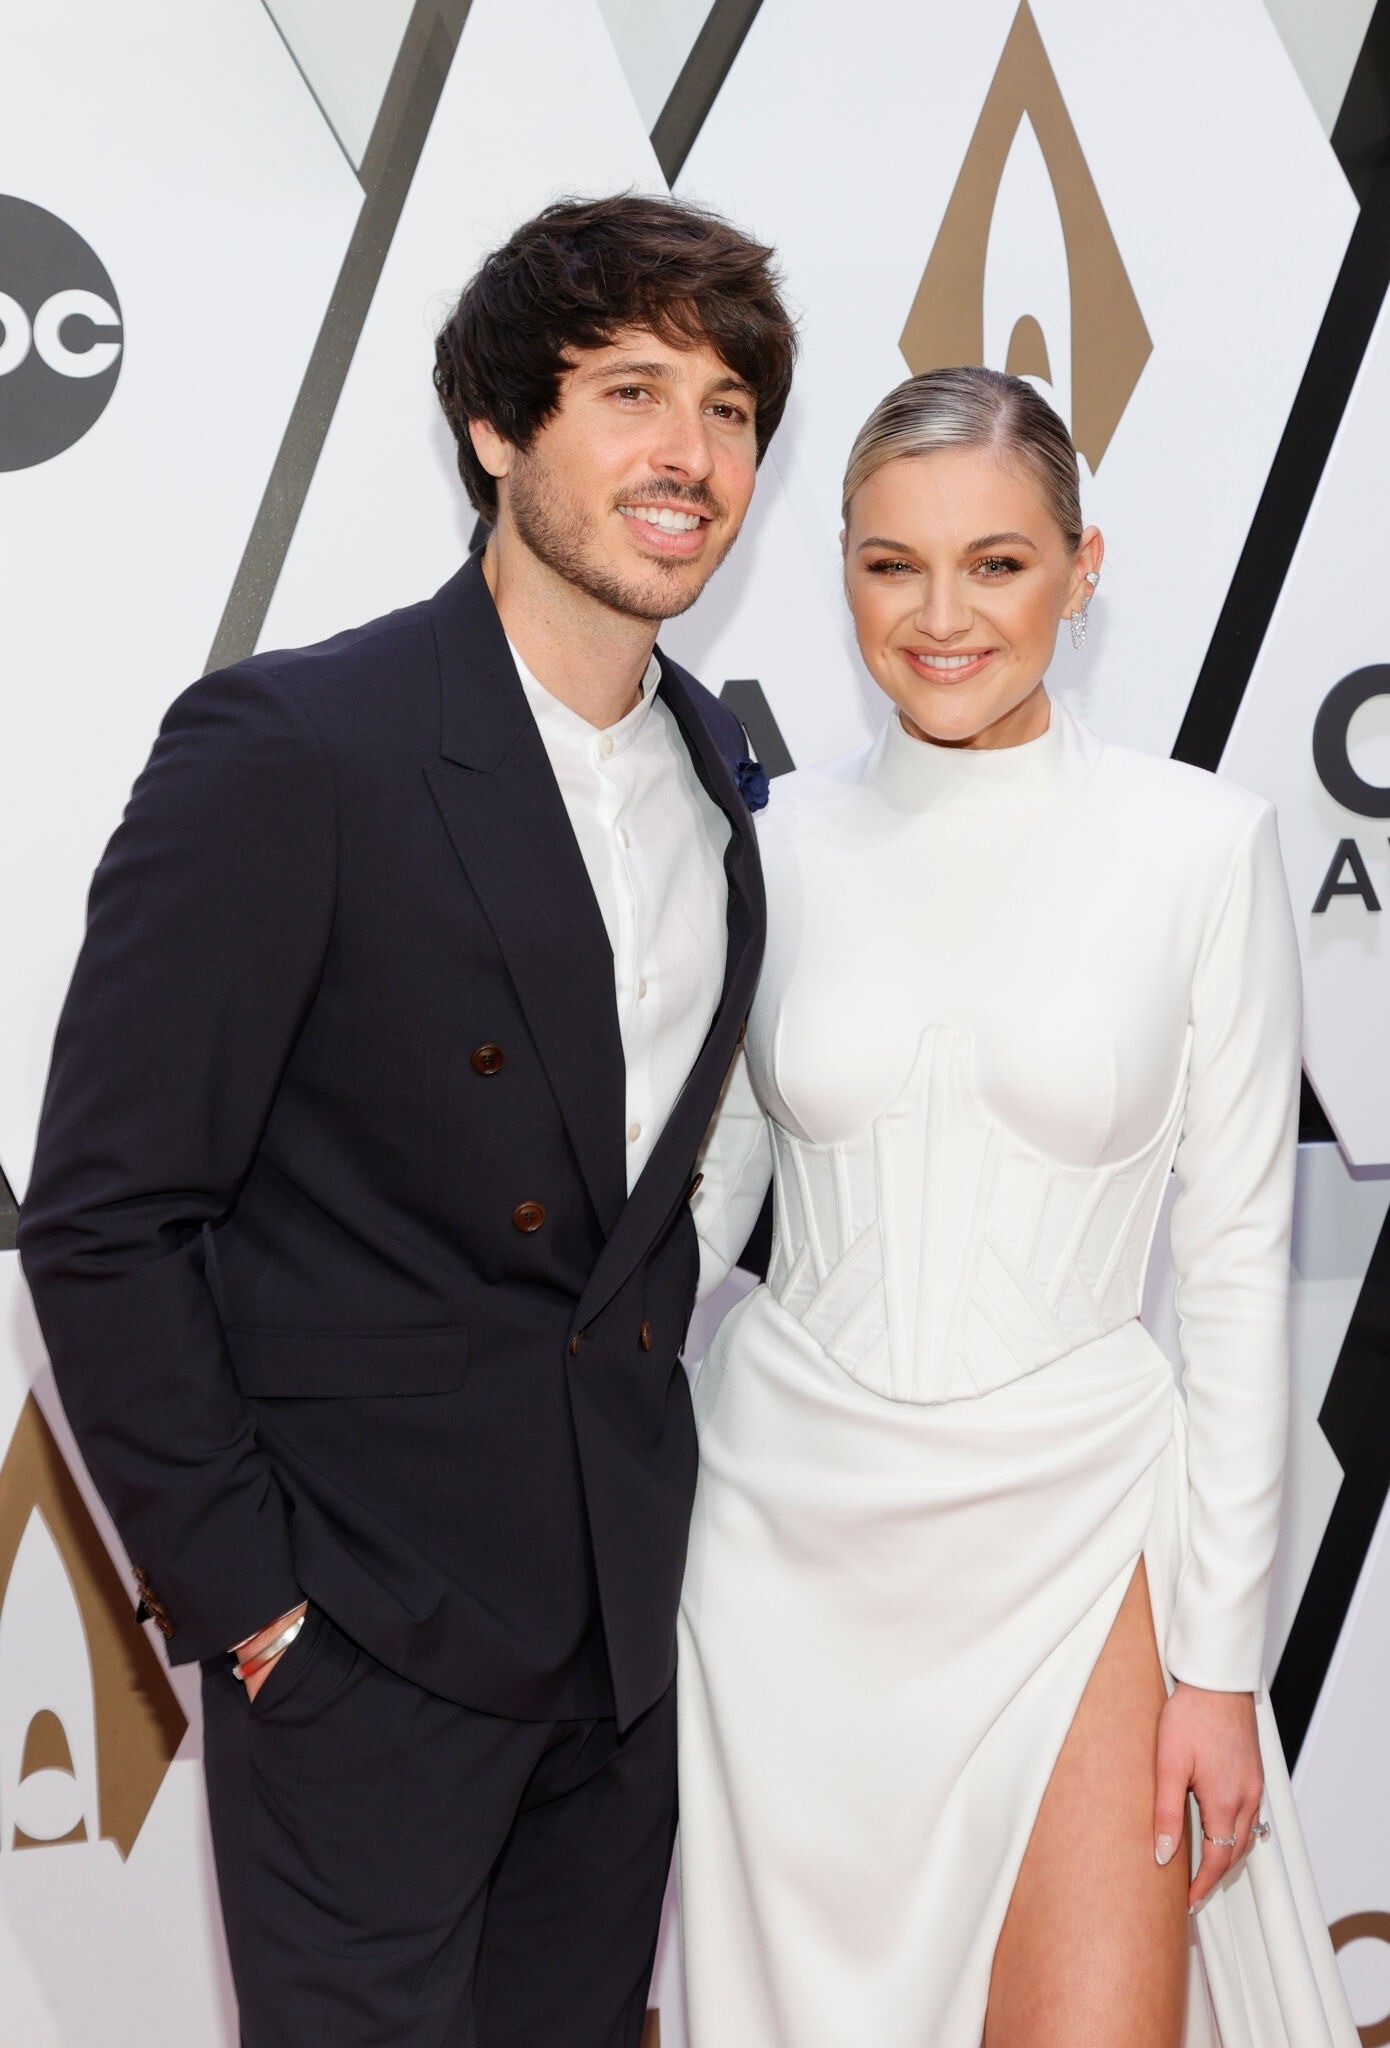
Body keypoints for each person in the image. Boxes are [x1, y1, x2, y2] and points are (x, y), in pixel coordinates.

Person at [18, 192, 794, 2048]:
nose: (689, 455)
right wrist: (257, 1610)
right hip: (361, 1644)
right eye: (631, 391)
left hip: (618, 1650)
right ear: (495, 427)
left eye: (728, 409)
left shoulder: (718, 774)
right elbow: (107, 1214)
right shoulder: (300, 746)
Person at [678, 366, 1357, 2047]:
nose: (940, 617)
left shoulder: (1198, 847)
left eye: (994, 562)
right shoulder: (766, 844)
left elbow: (1232, 1269)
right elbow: (693, 1216)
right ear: (839, 569)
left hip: (1079, 1530)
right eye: (889, 564)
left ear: (1080, 565)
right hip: (782, 1550)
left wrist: (1219, 1665)